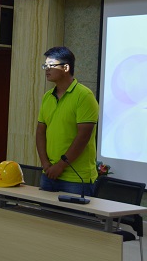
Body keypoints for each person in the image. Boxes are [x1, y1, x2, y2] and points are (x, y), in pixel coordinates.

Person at [36, 46, 99, 197]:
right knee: (44, 213)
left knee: (71, 214)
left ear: (66, 67)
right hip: (49, 173)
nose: (47, 69)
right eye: (45, 65)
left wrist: (60, 166)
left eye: (51, 65)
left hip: (76, 178)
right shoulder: (47, 97)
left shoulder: (84, 96)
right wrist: (45, 164)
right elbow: (40, 132)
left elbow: (83, 137)